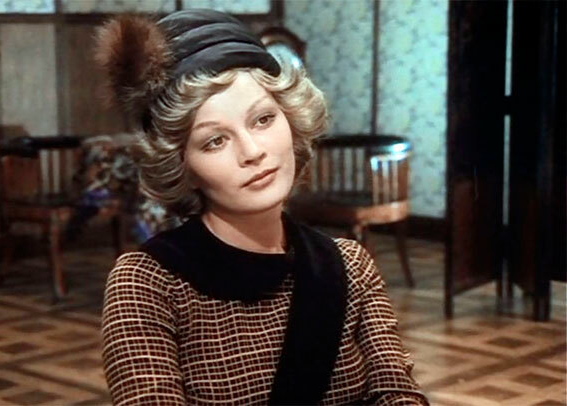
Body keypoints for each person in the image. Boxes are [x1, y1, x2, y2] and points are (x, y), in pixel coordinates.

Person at [95, 9, 428, 406]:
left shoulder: (349, 265)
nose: (252, 152)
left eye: (263, 119)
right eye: (215, 141)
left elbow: (397, 393)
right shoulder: (147, 283)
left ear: (292, 118)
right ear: (183, 166)